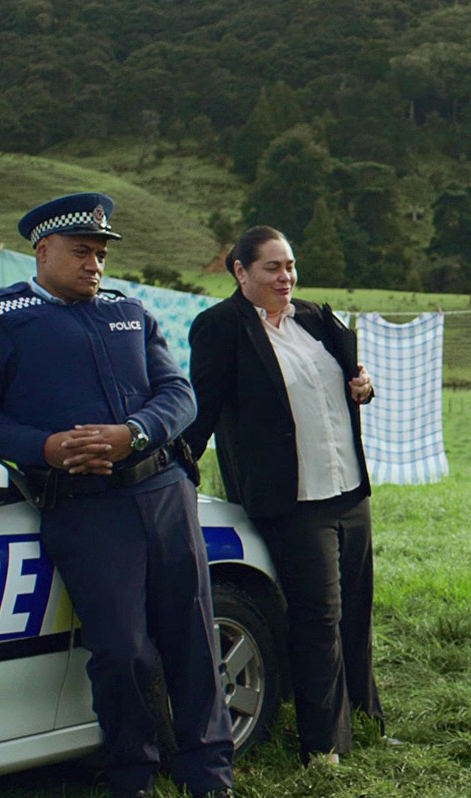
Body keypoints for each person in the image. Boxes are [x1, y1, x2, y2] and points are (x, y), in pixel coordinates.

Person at [0, 192, 235, 798]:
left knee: (191, 633)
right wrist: (45, 447)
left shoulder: (128, 311)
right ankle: (132, 772)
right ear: (43, 249)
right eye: (82, 251)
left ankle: (208, 772)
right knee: (122, 649)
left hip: (162, 490)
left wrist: (134, 432)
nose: (95, 264)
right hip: (86, 508)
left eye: (101, 253)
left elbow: (178, 393)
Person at [181, 225, 385, 765]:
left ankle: (365, 718)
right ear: (241, 272)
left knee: (356, 613)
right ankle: (324, 748)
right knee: (318, 617)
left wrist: (363, 387)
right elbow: (202, 407)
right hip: (292, 500)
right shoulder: (221, 328)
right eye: (272, 268)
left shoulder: (315, 318)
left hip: (347, 488)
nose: (285, 277)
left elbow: (350, 379)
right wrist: (176, 470)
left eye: (290, 266)